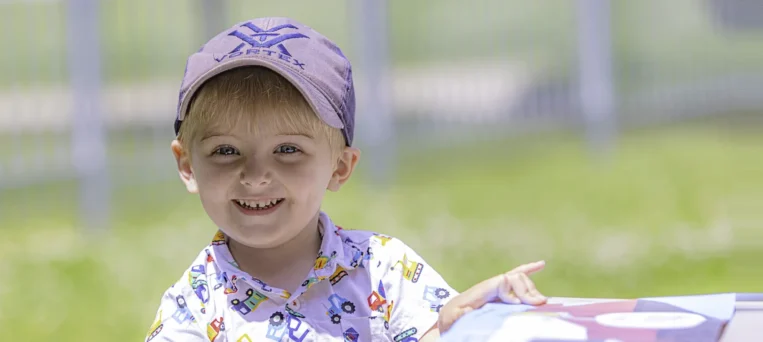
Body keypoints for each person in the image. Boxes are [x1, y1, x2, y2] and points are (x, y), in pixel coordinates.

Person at [145, 17, 547, 342]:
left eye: (288, 150)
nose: (255, 175)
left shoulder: (386, 270)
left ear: (340, 167)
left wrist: (455, 327)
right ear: (187, 165)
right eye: (226, 151)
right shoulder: (191, 308)